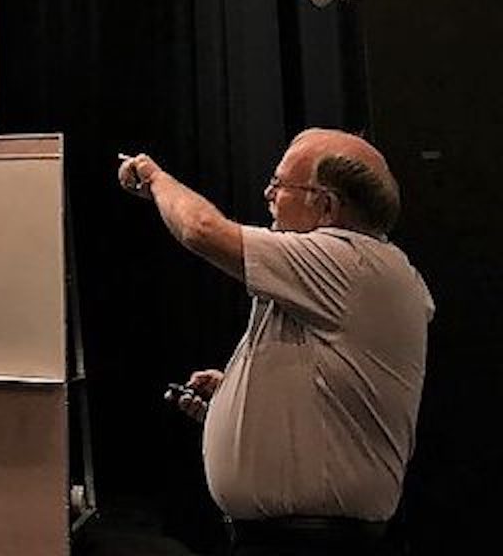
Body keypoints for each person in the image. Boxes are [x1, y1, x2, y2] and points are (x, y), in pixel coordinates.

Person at [118, 129, 433, 555]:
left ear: (326, 206)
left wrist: (155, 178)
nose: (267, 195)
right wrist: (235, 397)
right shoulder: (337, 279)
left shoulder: (347, 261)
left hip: (315, 545)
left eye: (279, 184)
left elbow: (201, 229)